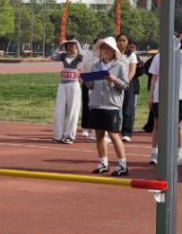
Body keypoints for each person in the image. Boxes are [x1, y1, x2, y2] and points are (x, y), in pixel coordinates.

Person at [85, 37, 130, 176]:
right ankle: (103, 163)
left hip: (112, 105)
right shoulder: (95, 65)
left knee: (113, 135)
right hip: (96, 104)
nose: (106, 50)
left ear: (114, 51)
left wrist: (114, 80)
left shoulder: (120, 66)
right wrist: (85, 80)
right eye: (103, 48)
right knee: (99, 135)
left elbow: (126, 85)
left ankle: (122, 165)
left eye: (109, 48)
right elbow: (91, 85)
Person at [148, 37, 182, 165]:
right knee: (157, 125)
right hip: (160, 96)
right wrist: (150, 96)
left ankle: (178, 154)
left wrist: (181, 40)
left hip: (179, 95)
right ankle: (155, 152)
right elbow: (154, 78)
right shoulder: (158, 56)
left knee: (178, 125)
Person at [51, 39, 82, 143]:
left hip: (74, 85)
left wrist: (77, 42)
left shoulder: (79, 57)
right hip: (62, 85)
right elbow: (53, 57)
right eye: (68, 44)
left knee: (73, 111)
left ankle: (69, 136)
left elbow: (82, 55)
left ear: (76, 46)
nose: (70, 46)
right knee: (59, 111)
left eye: (72, 44)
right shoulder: (63, 56)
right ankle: (58, 136)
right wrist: (60, 46)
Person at [116, 34, 139, 141]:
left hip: (127, 84)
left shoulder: (131, 55)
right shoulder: (113, 53)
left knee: (128, 109)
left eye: (124, 40)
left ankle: (126, 133)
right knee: (114, 108)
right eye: (119, 40)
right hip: (114, 82)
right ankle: (113, 131)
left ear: (128, 42)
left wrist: (125, 83)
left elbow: (132, 71)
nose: (121, 43)